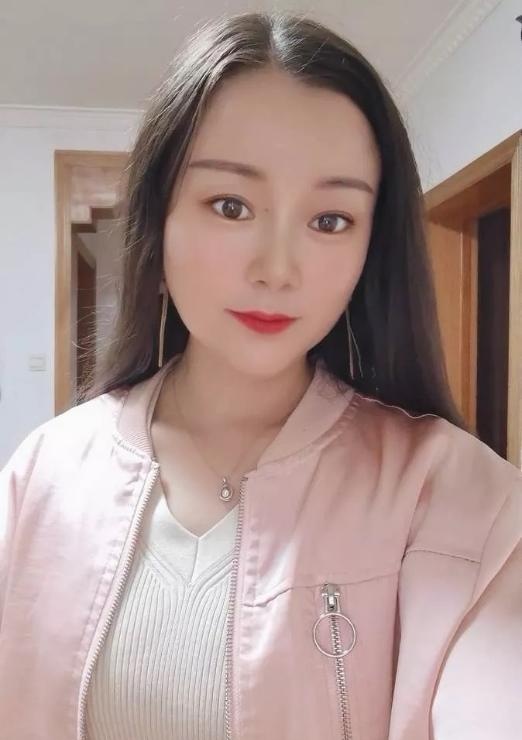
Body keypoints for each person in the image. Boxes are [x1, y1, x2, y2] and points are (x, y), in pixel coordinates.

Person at [1, 11, 521, 740]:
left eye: (330, 220)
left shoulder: (457, 496)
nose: (278, 269)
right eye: (231, 205)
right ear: (159, 219)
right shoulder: (44, 473)